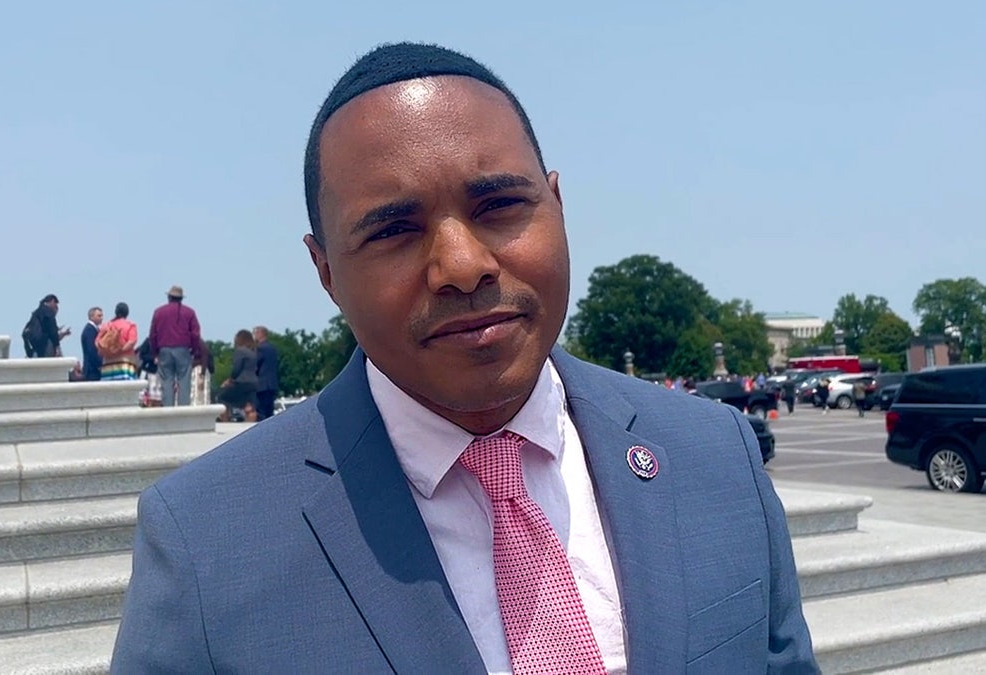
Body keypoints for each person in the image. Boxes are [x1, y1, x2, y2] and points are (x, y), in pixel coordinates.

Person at [113, 42, 816, 673]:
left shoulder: (713, 455)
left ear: (558, 205)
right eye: (393, 229)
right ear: (325, 271)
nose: (462, 264)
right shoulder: (207, 541)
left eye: (501, 205)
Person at [147, 285, 203, 407]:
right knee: (184, 381)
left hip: (164, 350)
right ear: (181, 299)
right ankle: (183, 411)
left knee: (166, 381)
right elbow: (195, 333)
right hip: (183, 349)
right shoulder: (189, 312)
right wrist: (193, 350)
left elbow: (152, 334)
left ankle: (168, 411)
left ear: (169, 297)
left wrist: (155, 352)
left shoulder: (159, 312)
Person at [216, 329, 260, 422]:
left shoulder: (240, 351)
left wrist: (230, 380)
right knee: (250, 405)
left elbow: (237, 369)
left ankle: (225, 420)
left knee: (222, 397)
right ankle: (251, 424)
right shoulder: (253, 352)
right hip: (253, 382)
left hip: (242, 382)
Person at [97, 302, 139, 381]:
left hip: (108, 363)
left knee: (109, 390)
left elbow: (97, 342)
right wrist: (120, 350)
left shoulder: (107, 325)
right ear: (127, 313)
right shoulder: (130, 325)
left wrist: (110, 351)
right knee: (126, 390)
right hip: (125, 362)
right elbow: (132, 341)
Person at [21, 294, 71, 358]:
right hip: (45, 346)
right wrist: (57, 347)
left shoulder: (36, 313)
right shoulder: (48, 312)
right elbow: (52, 332)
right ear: (52, 301)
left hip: (35, 347)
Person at [253, 325, 280, 419]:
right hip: (272, 384)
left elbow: (255, 364)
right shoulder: (273, 349)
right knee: (270, 412)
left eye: (255, 333)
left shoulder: (260, 348)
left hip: (262, 385)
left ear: (261, 334)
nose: (254, 336)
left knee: (261, 412)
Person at [80, 307, 104, 381]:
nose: (101, 318)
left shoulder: (93, 329)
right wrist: (99, 364)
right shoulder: (89, 330)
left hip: (93, 368)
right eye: (99, 316)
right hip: (91, 370)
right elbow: (92, 350)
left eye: (102, 316)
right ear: (91, 317)